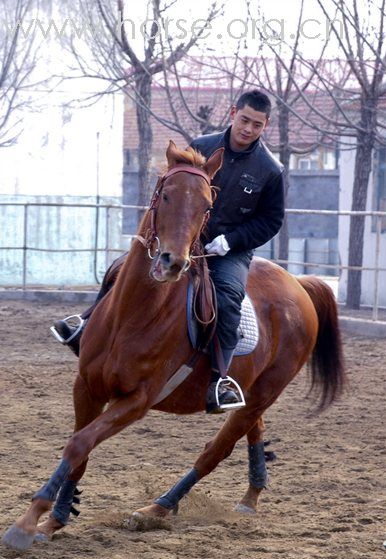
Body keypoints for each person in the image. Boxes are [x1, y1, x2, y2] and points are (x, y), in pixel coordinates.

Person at [52, 89, 285, 413]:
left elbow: (272, 220)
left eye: (256, 125)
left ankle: (220, 380)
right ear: (233, 113)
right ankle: (85, 324)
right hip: (182, 238)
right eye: (244, 120)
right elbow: (172, 187)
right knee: (123, 267)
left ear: (265, 125)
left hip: (229, 250)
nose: (248, 129)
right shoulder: (202, 146)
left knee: (228, 298)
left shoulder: (270, 170)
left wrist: (231, 241)